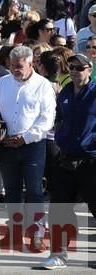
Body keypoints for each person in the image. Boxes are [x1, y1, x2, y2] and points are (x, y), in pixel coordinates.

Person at [0, 45, 56, 249]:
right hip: (7, 146)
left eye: (19, 67)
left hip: (33, 146)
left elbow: (47, 119)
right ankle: (14, 233)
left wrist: (25, 138)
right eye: (12, 66)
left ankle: (36, 234)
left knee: (34, 191)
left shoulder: (43, 85)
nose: (15, 70)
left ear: (30, 63)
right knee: (12, 191)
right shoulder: (3, 82)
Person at [41, 54, 96, 269]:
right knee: (59, 208)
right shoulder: (64, 92)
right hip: (66, 159)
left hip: (90, 161)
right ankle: (58, 254)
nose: (74, 71)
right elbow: (59, 119)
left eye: (79, 68)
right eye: (71, 67)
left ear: (89, 69)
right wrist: (61, 136)